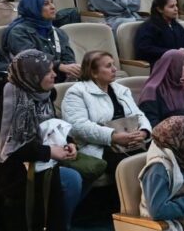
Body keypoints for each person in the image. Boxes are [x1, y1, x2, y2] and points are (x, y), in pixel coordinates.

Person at [0, 50, 83, 231]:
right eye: (48, 72)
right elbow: (9, 149)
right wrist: (49, 152)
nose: (55, 75)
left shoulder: (43, 96)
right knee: (67, 179)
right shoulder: (3, 106)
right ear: (32, 75)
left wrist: (69, 143)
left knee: (83, 170)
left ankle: (58, 225)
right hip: (15, 168)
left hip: (44, 159)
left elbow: (54, 127)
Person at [61, 50, 152, 178]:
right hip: (100, 146)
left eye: (114, 64)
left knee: (161, 156)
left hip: (131, 142)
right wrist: (113, 137)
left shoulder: (121, 90)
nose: (115, 69)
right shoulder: (77, 92)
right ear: (93, 73)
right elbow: (78, 126)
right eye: (109, 66)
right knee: (130, 169)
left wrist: (144, 132)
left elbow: (139, 114)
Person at [2, 0, 80, 82]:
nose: (53, 7)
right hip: (33, 82)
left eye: (52, 2)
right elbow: (30, 58)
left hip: (60, 80)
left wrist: (73, 69)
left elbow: (68, 58)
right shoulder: (18, 32)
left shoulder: (59, 32)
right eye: (46, 4)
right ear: (33, 8)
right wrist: (59, 66)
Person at [139, 49, 184, 129]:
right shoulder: (151, 90)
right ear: (172, 66)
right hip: (164, 133)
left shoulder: (183, 85)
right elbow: (151, 123)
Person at [135, 0, 184, 65]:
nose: (176, 9)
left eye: (176, 5)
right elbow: (144, 50)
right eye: (171, 6)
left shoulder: (177, 26)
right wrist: (173, 53)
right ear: (159, 9)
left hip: (181, 63)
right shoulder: (148, 27)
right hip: (160, 65)